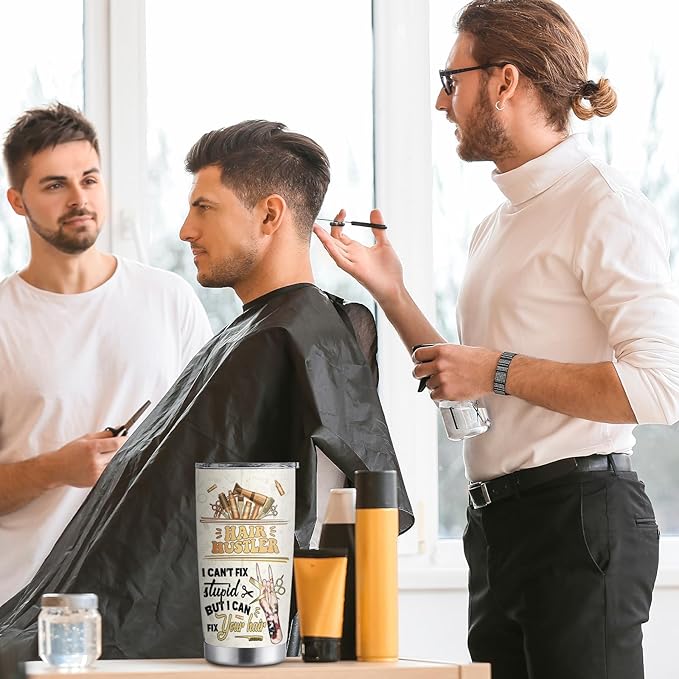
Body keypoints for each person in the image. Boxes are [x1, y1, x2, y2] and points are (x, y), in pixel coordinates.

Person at [314, 2, 679, 678]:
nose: (439, 101)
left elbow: (660, 388)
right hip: (498, 529)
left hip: (577, 521)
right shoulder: (496, 227)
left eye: (450, 80)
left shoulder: (604, 206)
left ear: (505, 81)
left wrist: (496, 368)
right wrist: (393, 293)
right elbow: (471, 391)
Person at [0, 120, 412, 669]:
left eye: (204, 208)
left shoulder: (286, 338)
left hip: (181, 643)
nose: (185, 230)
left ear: (269, 216)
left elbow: (339, 513)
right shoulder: (250, 336)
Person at [0, 103, 213, 606]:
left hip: (148, 604)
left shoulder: (170, 299)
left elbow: (209, 454)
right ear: (18, 201)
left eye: (90, 179)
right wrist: (56, 468)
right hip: (21, 608)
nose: (79, 199)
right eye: (55, 185)